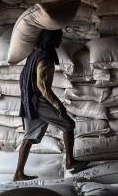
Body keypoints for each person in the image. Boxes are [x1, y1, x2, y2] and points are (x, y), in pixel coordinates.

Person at [15, 29, 85, 180]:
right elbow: (43, 87)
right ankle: (70, 162)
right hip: (39, 101)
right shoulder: (44, 58)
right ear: (51, 40)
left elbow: (23, 77)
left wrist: (26, 97)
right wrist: (59, 105)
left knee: (29, 137)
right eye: (58, 38)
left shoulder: (34, 52)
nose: (60, 41)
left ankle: (18, 174)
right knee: (68, 125)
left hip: (28, 100)